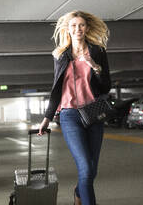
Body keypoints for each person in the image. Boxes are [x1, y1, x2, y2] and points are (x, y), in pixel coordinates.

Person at [38, 10, 111, 205]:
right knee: (86, 168)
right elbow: (56, 88)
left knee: (92, 170)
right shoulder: (60, 55)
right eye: (73, 25)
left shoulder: (98, 51)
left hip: (94, 113)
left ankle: (79, 193)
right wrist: (47, 118)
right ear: (67, 29)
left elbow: (106, 86)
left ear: (86, 28)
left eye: (81, 25)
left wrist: (95, 67)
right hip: (70, 115)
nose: (77, 29)